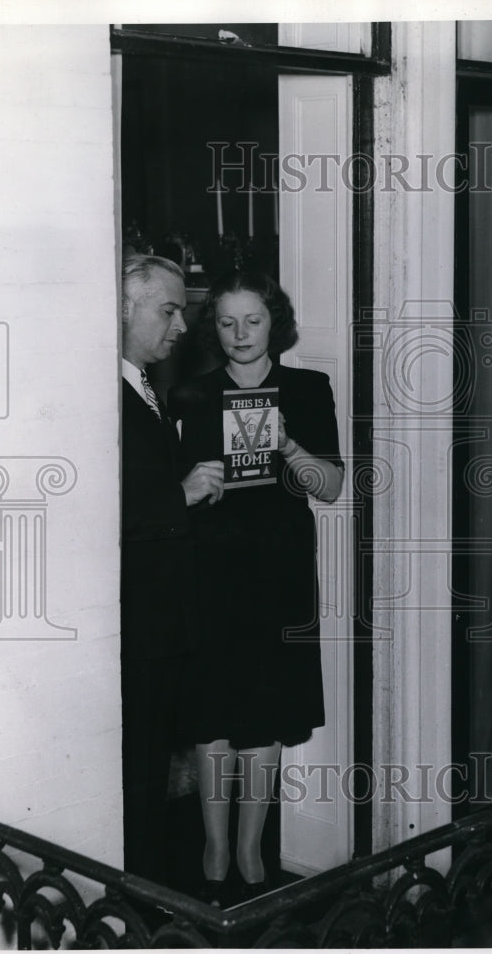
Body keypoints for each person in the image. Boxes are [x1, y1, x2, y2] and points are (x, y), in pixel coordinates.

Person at [172, 270, 344, 904]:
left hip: (280, 572)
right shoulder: (191, 394)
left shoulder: (306, 388)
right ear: (212, 327)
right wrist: (191, 483)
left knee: (267, 710)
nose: (240, 334)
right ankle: (214, 845)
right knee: (212, 708)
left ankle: (251, 847)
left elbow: (329, 487)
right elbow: (168, 497)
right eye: (226, 322)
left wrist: (293, 449)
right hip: (209, 571)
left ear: (276, 323)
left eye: (254, 320)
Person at [120, 254, 224, 885]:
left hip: (161, 619)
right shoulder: (103, 393)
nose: (182, 326)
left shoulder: (144, 386)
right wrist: (178, 495)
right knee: (135, 766)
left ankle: (144, 889)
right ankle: (131, 897)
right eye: (168, 310)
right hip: (137, 620)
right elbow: (95, 506)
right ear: (124, 308)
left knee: (151, 763)